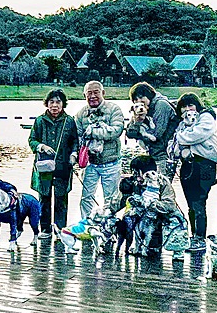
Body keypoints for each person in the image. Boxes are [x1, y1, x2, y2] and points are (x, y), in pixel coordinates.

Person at [173, 93, 217, 253]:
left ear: (197, 107)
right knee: (190, 205)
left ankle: (200, 238)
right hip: (187, 166)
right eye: (184, 107)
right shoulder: (181, 124)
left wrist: (182, 140)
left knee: (199, 203)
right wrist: (183, 143)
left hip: (204, 165)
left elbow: (196, 135)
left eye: (190, 106)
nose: (187, 109)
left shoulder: (206, 118)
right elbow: (174, 147)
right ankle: (194, 236)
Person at [117, 154, 188, 259]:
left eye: (138, 173)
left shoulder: (162, 181)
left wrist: (152, 204)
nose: (136, 176)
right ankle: (134, 245)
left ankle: (177, 249)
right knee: (128, 217)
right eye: (134, 172)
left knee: (176, 219)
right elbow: (120, 200)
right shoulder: (133, 182)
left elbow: (170, 205)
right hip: (142, 215)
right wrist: (108, 211)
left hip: (161, 214)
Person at [29, 89, 79, 235]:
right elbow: (32, 140)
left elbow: (75, 141)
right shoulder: (39, 120)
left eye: (58, 102)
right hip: (43, 165)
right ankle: (45, 229)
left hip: (63, 165)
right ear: (47, 103)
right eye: (52, 102)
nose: (55, 105)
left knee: (61, 198)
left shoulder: (69, 121)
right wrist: (41, 146)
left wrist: (74, 155)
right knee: (44, 197)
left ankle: (60, 229)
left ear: (63, 104)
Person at [74, 80, 124, 219]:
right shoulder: (80, 114)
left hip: (111, 162)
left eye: (96, 92)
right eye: (89, 93)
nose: (93, 96)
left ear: (103, 93)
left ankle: (109, 227)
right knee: (86, 198)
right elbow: (78, 137)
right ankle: (86, 226)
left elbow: (116, 131)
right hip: (90, 165)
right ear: (84, 95)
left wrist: (92, 133)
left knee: (111, 200)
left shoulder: (114, 109)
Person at [125, 82, 178, 173]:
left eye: (141, 97)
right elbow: (129, 133)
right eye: (135, 99)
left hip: (165, 155)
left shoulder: (161, 105)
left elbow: (157, 135)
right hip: (152, 154)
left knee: (163, 184)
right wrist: (138, 122)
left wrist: (139, 135)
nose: (138, 101)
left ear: (149, 96)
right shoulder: (141, 109)